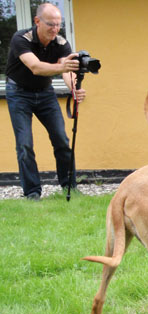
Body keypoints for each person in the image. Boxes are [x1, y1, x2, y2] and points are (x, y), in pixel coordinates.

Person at [5, 3, 86, 200]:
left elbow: (66, 71)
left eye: (59, 24)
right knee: (24, 144)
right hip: (18, 93)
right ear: (37, 22)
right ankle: (32, 193)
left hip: (45, 93)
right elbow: (36, 67)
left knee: (61, 139)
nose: (55, 29)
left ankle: (70, 187)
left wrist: (74, 89)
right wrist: (62, 67)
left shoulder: (60, 43)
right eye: (51, 24)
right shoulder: (21, 39)